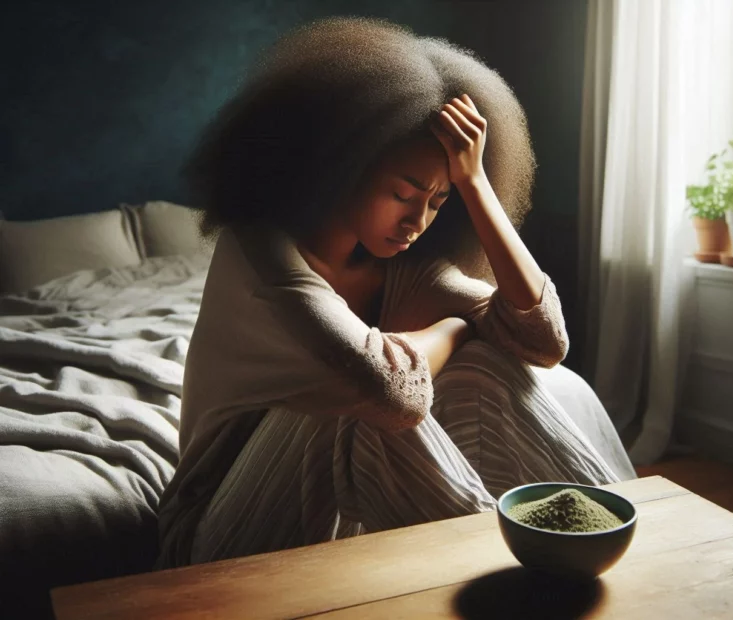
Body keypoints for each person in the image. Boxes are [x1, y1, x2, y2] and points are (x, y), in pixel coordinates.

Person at [155, 16, 635, 569]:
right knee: (357, 397)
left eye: (438, 202)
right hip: (214, 534)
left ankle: (607, 548)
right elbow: (386, 389)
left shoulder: (404, 268)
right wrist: (454, 326)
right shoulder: (259, 250)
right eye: (403, 193)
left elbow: (543, 342)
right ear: (343, 169)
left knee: (481, 366)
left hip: (331, 525)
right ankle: (494, 575)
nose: (417, 220)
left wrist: (475, 186)